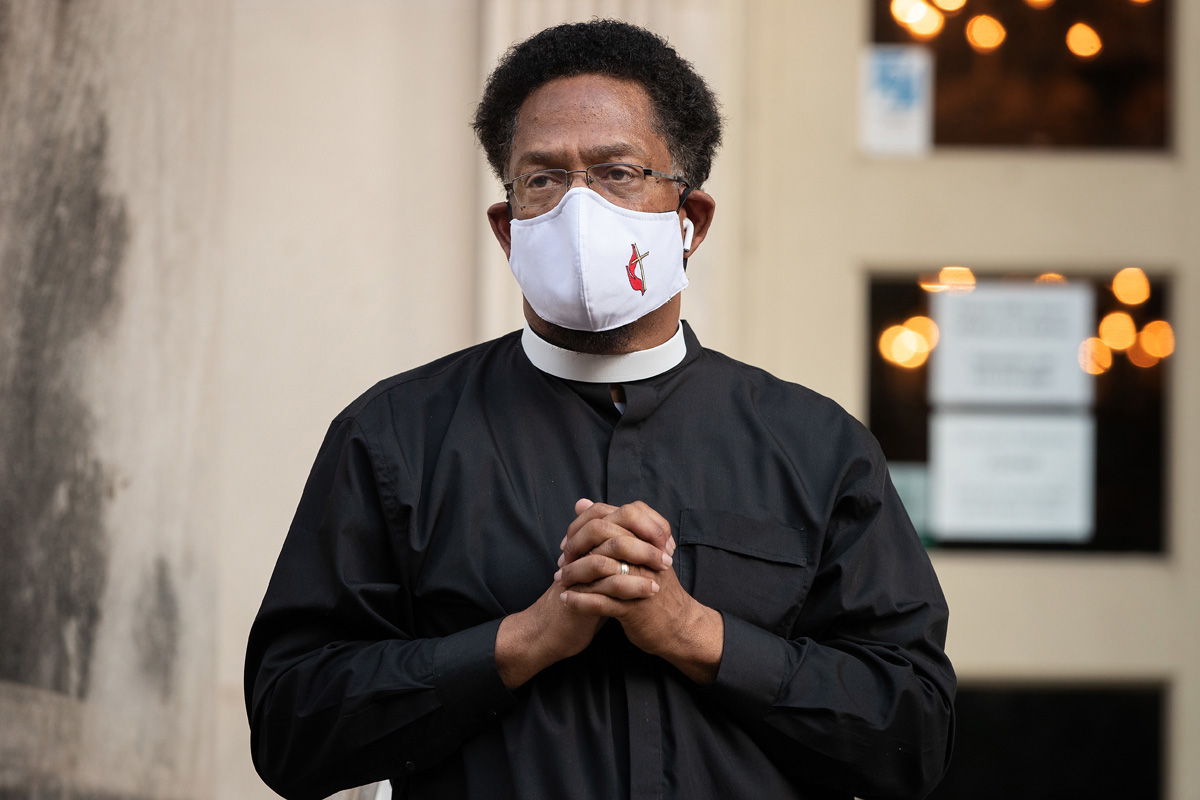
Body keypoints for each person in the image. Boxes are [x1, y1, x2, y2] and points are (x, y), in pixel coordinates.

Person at [245, 19, 955, 800]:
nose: (577, 207)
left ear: (691, 220)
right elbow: (291, 727)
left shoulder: (816, 447)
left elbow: (911, 733)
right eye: (542, 180)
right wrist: (523, 640)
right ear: (508, 229)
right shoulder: (394, 438)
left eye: (618, 172)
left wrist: (696, 631)